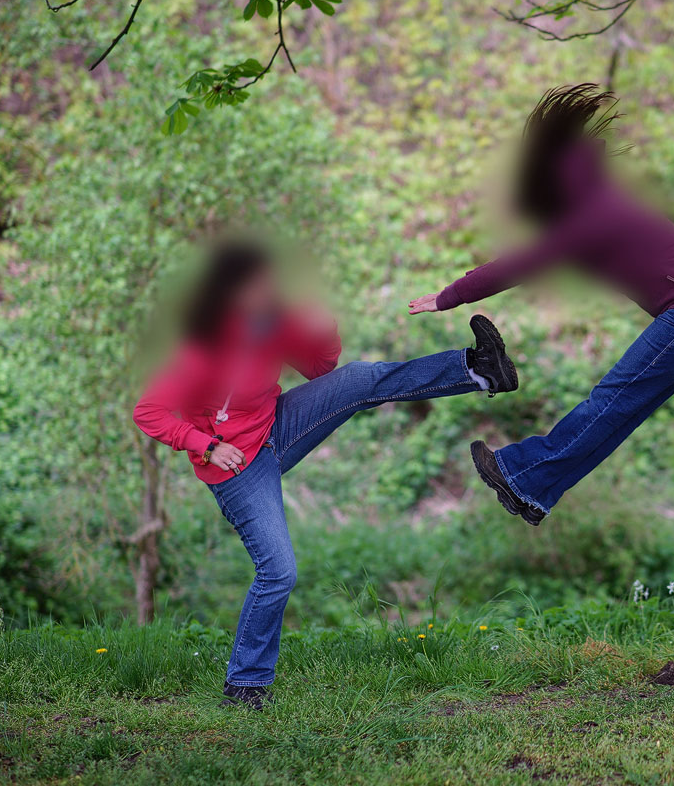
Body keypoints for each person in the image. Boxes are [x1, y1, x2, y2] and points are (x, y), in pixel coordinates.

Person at [133, 239, 518, 708]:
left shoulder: (276, 321)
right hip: (235, 465)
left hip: (278, 427)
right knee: (278, 571)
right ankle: (245, 684)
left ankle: (478, 370)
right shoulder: (205, 344)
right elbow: (148, 411)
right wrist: (207, 446)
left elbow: (320, 368)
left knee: (356, 380)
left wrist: (323, 328)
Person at [409, 84, 674, 526]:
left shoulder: (593, 215)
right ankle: (534, 491)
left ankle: (523, 476)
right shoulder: (599, 199)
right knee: (621, 409)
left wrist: (448, 296)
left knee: (612, 400)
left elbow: (522, 262)